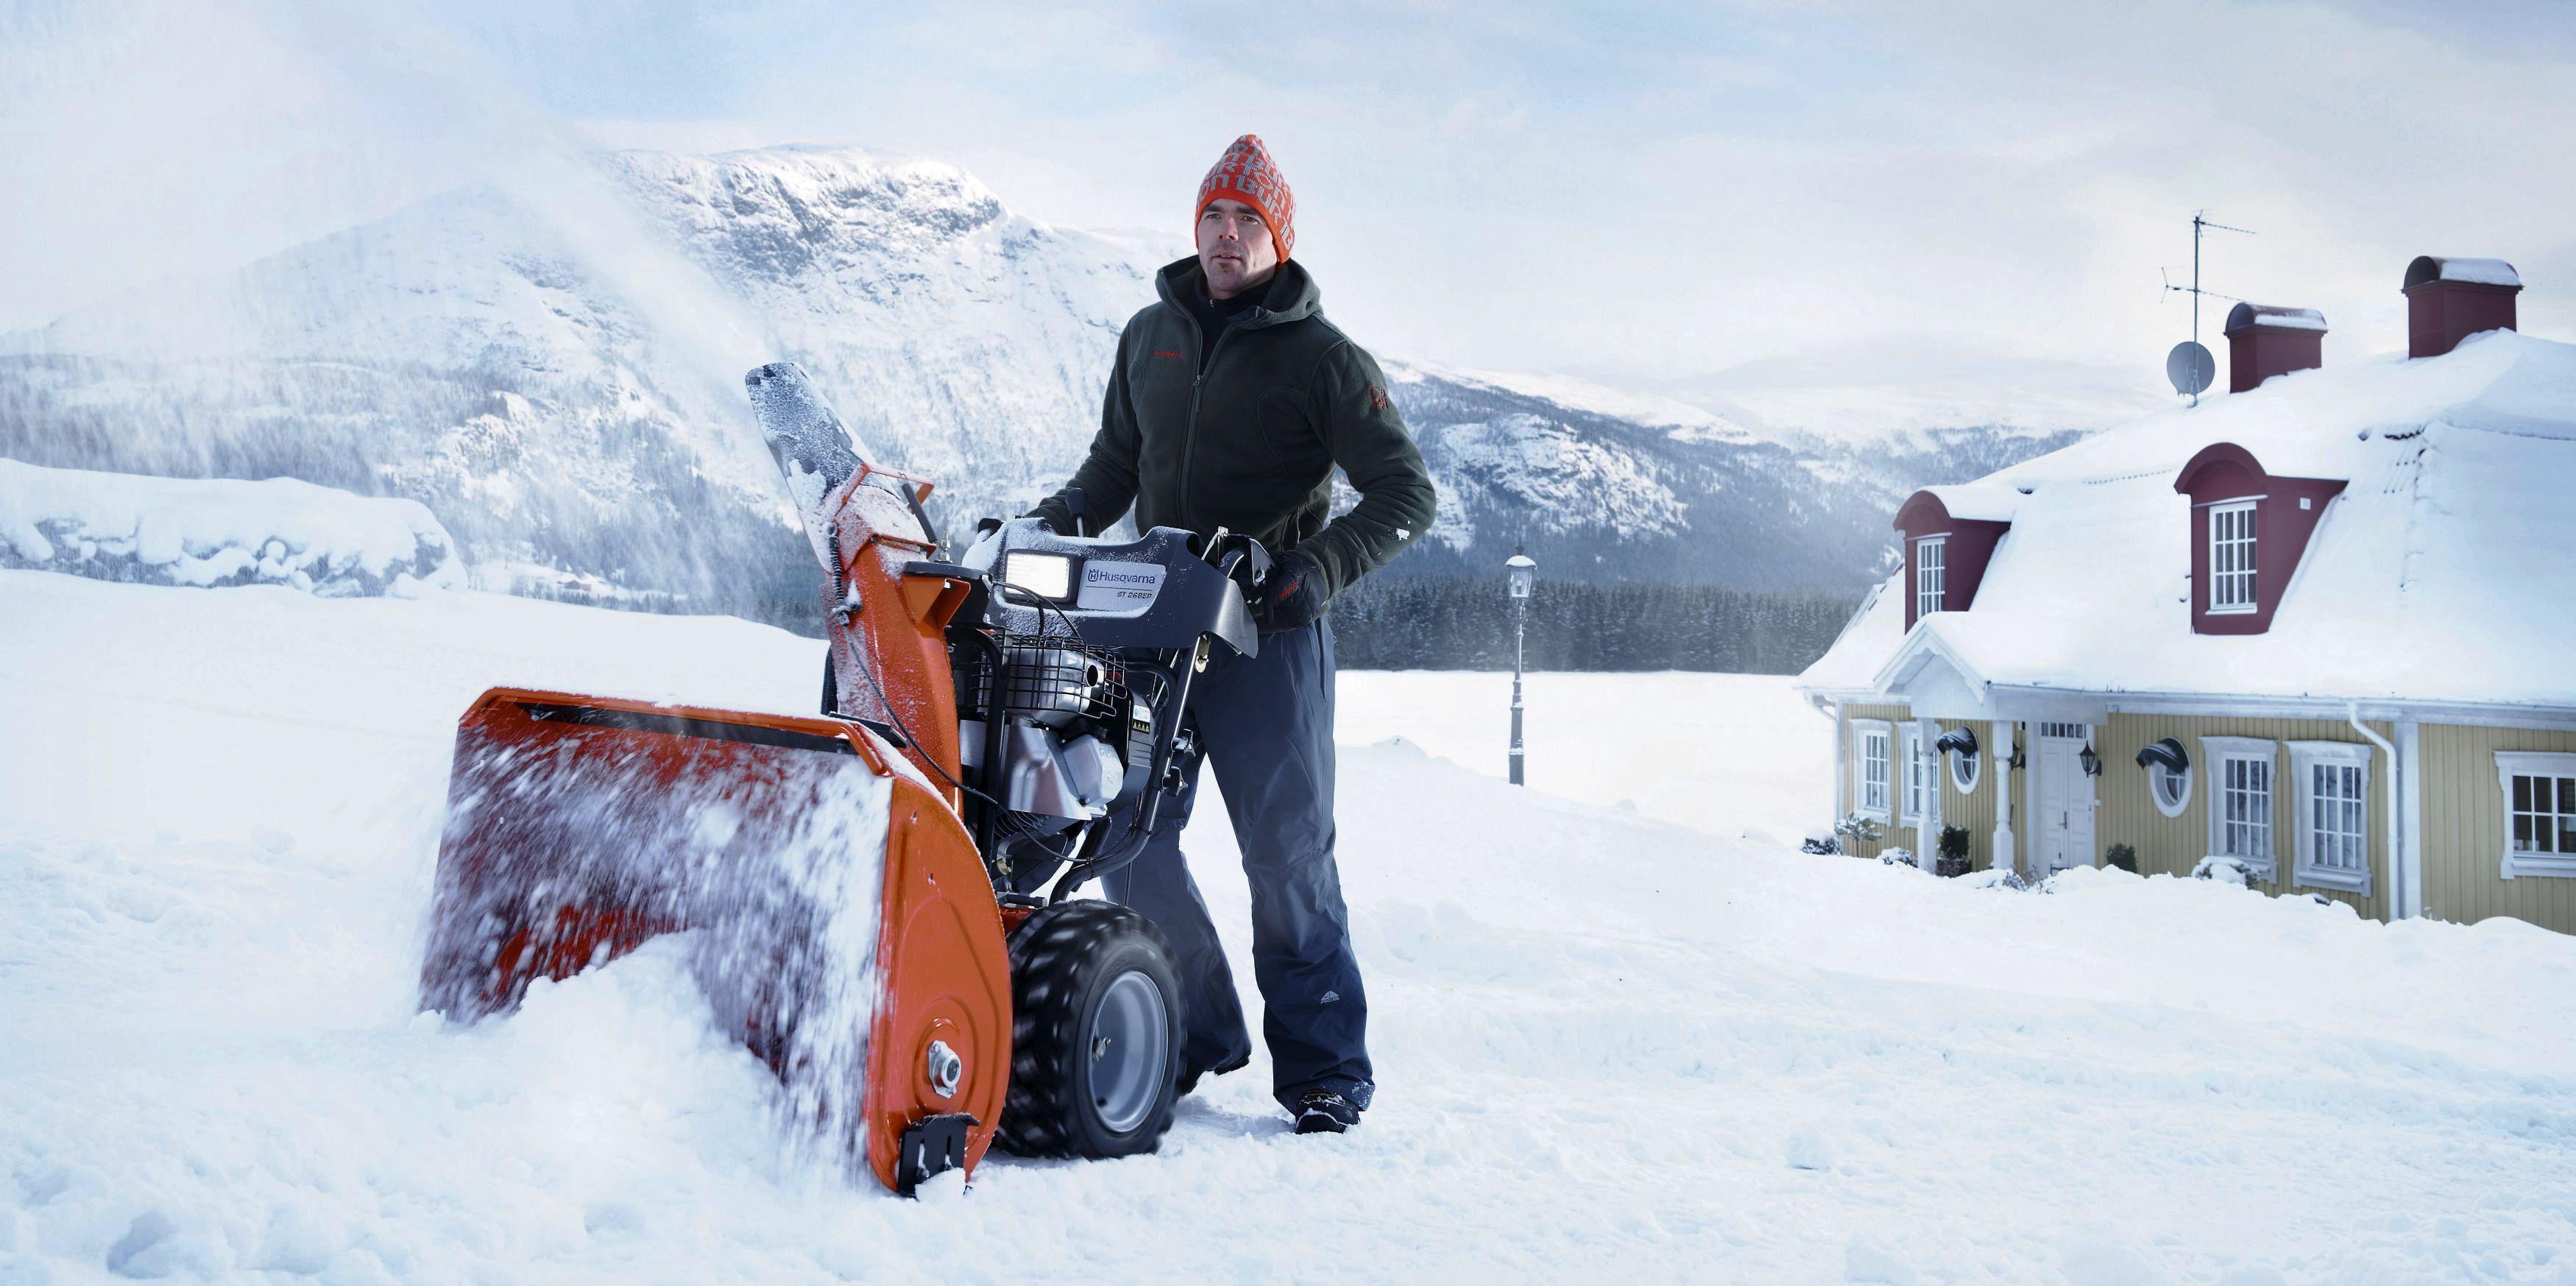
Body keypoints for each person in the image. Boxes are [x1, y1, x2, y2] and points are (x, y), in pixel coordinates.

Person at [1027, 134, 1434, 1135]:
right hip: (1149, 624)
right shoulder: (1147, 336)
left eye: (1247, 219)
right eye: (1213, 214)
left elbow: (1404, 493)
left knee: (1287, 856)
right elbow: (1112, 469)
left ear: (1278, 239)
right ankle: (1196, 1027)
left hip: (1267, 637)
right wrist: (1051, 522)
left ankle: (1325, 1072)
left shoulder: (1328, 361)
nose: (1225, 232)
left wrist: (1315, 566)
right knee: (1128, 837)